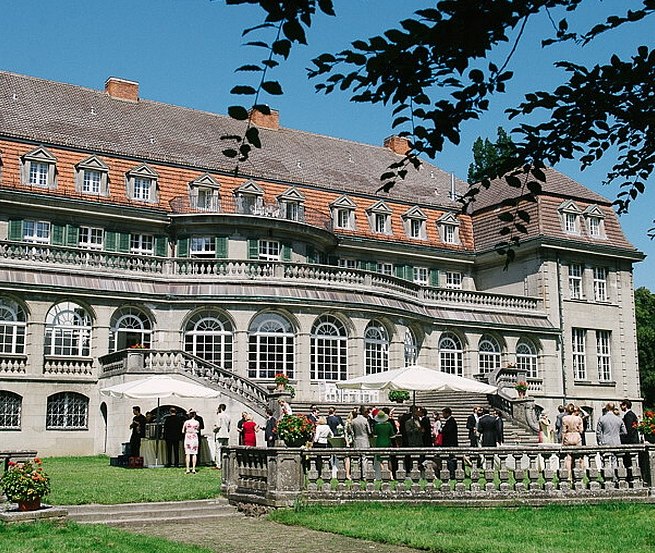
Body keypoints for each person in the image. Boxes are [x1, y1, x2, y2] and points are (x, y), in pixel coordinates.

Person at [440, 407, 458, 478]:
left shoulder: (451, 421)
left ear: (447, 413)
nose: (443, 415)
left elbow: (448, 431)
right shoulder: (449, 421)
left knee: (451, 459)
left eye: (443, 414)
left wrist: (442, 430)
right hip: (449, 443)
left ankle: (452, 473)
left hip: (450, 443)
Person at [182, 408, 201, 474]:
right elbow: (198, 429)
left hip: (188, 436)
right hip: (194, 437)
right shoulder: (197, 422)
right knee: (194, 453)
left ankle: (187, 469)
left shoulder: (186, 422)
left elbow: (183, 430)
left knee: (187, 453)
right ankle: (193, 469)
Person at [212, 403, 231, 469]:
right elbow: (229, 427)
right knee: (225, 450)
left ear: (220, 408)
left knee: (218, 450)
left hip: (220, 434)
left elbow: (218, 425)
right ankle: (225, 463)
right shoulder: (228, 416)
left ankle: (218, 464)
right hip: (226, 434)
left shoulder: (219, 415)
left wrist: (214, 430)